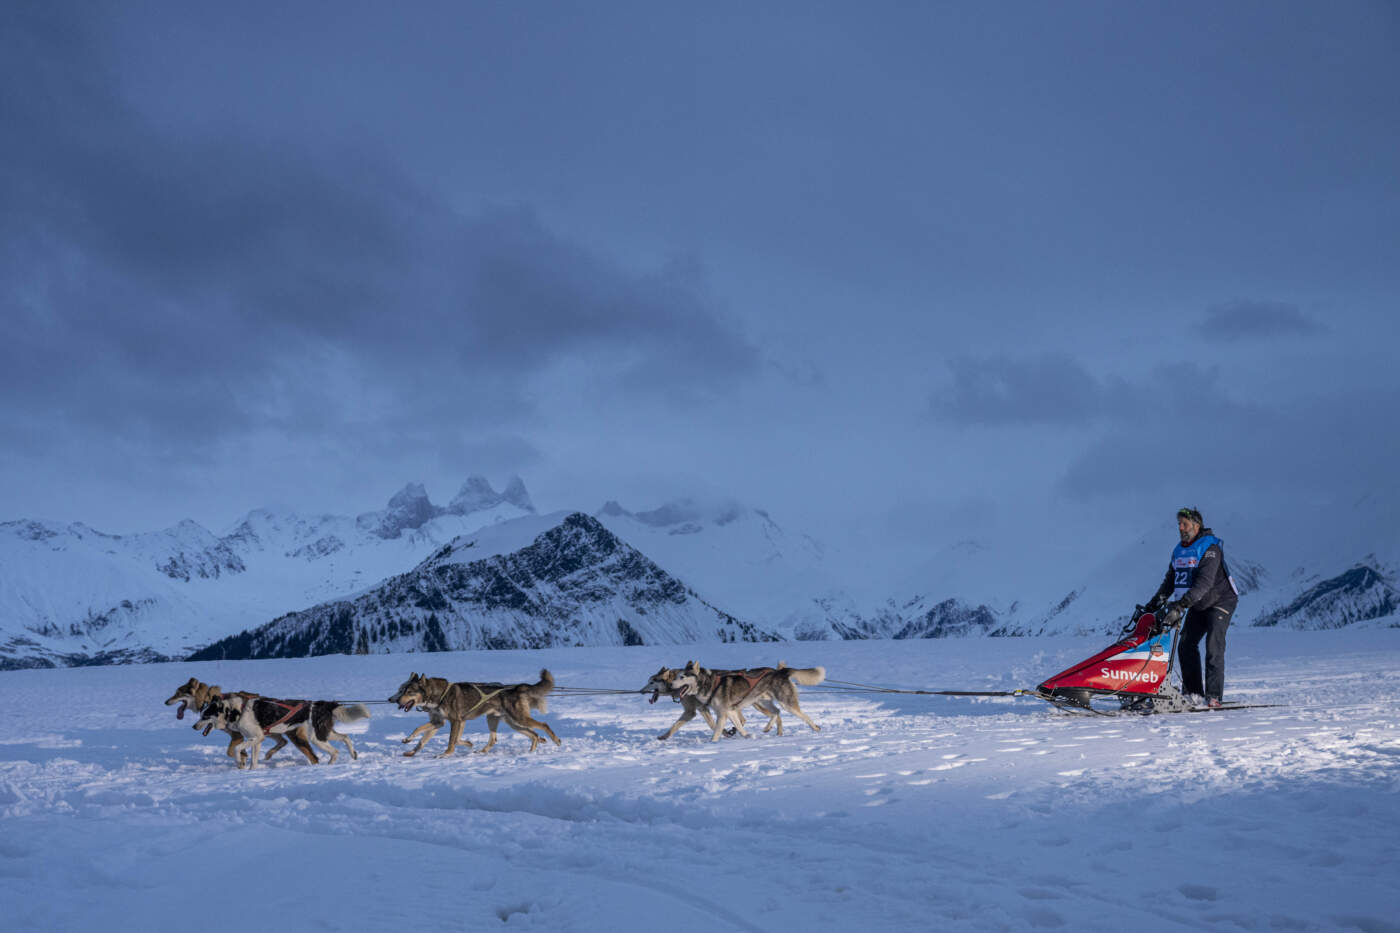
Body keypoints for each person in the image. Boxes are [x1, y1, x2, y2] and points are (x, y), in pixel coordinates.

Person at [1145, 507, 1239, 708]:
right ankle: (1194, 693)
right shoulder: (1179, 551)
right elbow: (1170, 582)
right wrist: (1152, 605)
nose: (1180, 528)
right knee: (1186, 644)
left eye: (1185, 524)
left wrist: (1181, 605)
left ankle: (1214, 697)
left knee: (1213, 646)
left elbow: (1204, 583)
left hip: (1220, 601)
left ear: (1196, 526)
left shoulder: (1210, 548)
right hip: (1198, 602)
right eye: (1179, 524)